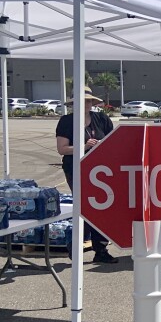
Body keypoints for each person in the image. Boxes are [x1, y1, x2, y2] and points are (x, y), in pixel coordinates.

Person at [55, 86, 118, 263]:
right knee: (82, 207)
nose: (87, 104)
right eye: (83, 101)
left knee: (101, 207)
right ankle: (74, 246)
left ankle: (101, 249)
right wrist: (83, 147)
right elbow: (62, 149)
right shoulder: (67, 121)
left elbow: (113, 142)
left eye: (89, 100)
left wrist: (102, 146)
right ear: (75, 104)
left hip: (101, 171)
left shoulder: (101, 119)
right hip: (75, 168)